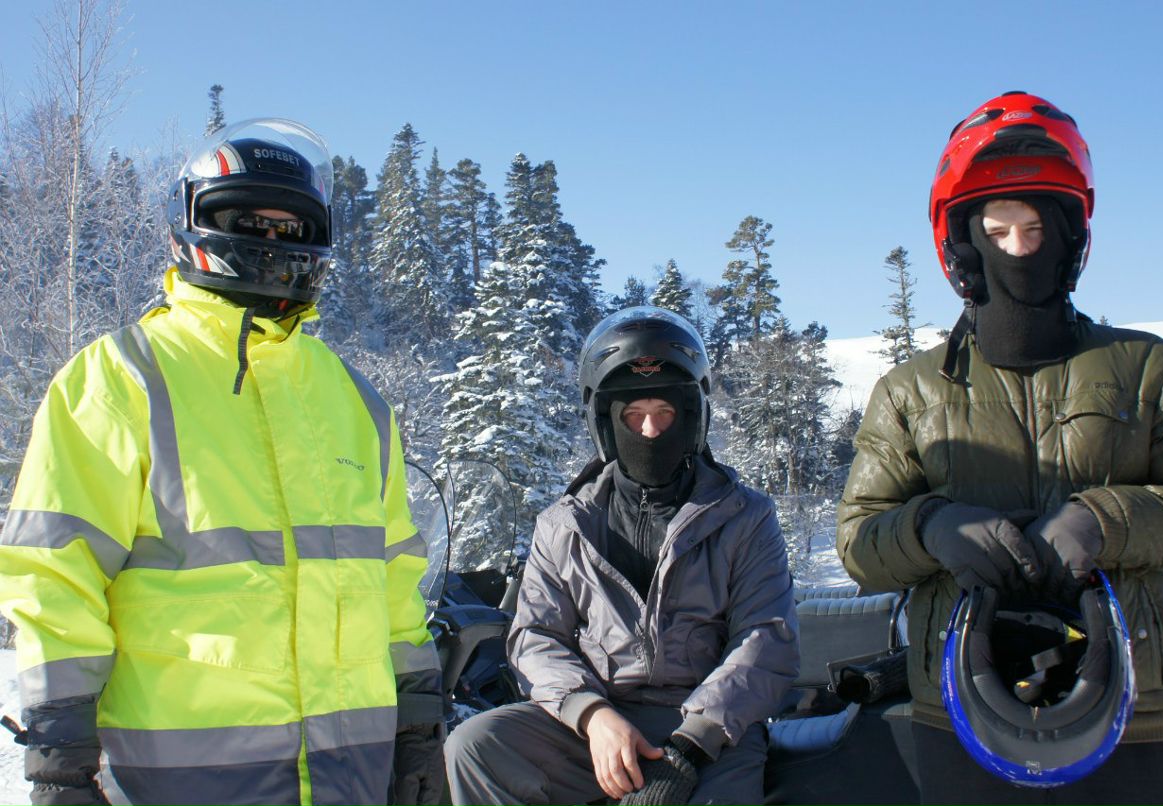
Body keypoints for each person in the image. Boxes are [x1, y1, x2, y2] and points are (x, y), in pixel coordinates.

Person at [0, 119, 445, 806]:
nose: (270, 241)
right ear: (196, 223)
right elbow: (54, 574)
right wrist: (59, 758)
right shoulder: (121, 378)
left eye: (288, 228)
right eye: (246, 220)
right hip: (179, 783)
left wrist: (418, 726)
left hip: (348, 781)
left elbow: (394, 581)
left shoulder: (356, 401)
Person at [837, 90, 1163, 805]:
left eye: (1033, 228)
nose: (1016, 250)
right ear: (964, 242)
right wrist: (930, 527)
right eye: (997, 229)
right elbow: (859, 542)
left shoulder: (1154, 369)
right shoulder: (909, 392)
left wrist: (1106, 523)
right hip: (960, 713)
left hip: (1132, 711)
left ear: (1070, 236)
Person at [444, 306, 799, 806]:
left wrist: (690, 746)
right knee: (475, 746)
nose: (650, 431)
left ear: (692, 418)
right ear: (607, 423)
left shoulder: (744, 516)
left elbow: (766, 638)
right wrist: (592, 715)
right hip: (602, 720)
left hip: (713, 726)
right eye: (633, 415)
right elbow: (535, 637)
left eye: (665, 414)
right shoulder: (565, 525)